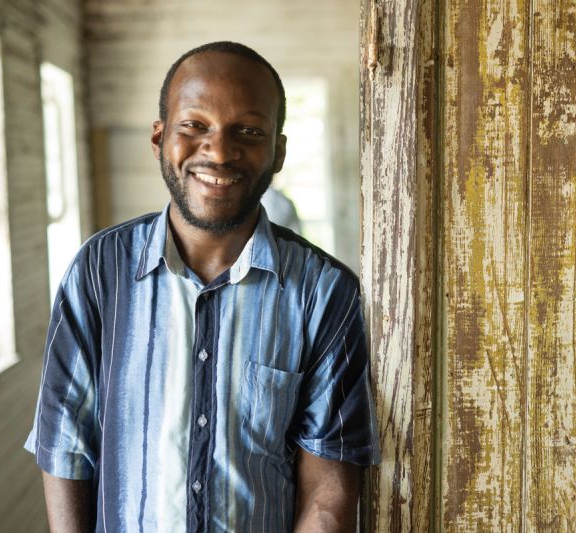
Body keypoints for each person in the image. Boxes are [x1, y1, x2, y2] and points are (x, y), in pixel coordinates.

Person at [24, 41, 380, 532]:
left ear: (277, 152)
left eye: (249, 131)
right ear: (159, 139)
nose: (218, 151)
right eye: (194, 125)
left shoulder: (324, 292)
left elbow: (328, 490)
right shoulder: (98, 272)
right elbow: (65, 446)